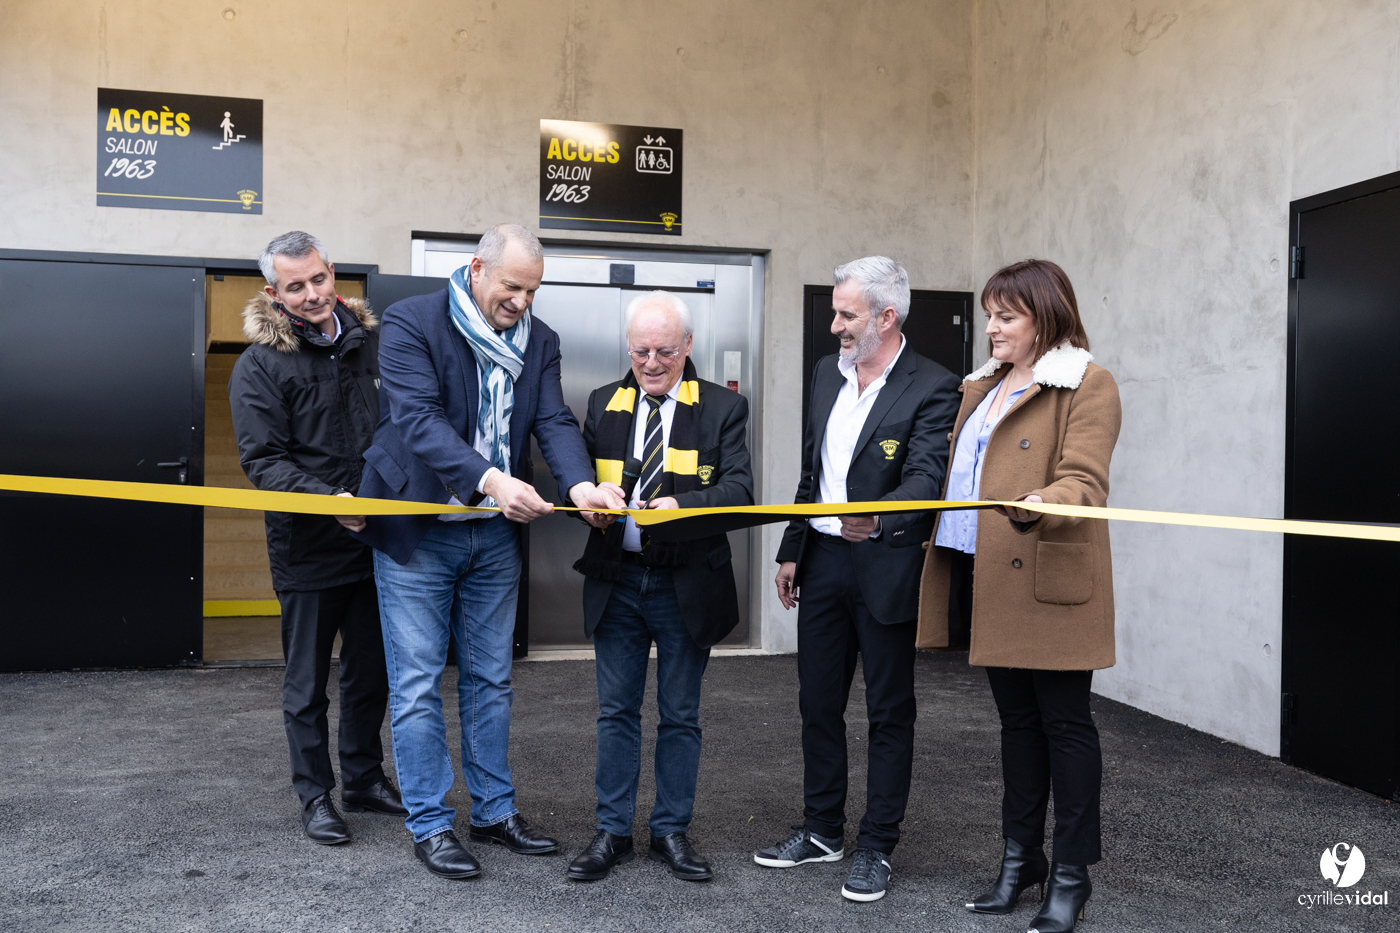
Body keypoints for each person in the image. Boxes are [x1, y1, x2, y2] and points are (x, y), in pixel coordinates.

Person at [355, 223, 625, 880]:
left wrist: (580, 482)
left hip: (492, 536)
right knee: (417, 683)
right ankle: (429, 823)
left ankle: (494, 810)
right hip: (421, 527)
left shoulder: (542, 340)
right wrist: (495, 479)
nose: (522, 303)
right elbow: (417, 421)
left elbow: (553, 420)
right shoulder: (411, 322)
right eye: (512, 287)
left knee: (491, 678)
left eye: (533, 291)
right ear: (477, 268)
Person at [918, 259, 1120, 933]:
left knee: (1066, 726)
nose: (992, 327)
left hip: (1050, 579)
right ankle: (1019, 860)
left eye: (1007, 316)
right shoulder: (983, 386)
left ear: (1046, 319)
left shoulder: (1087, 383)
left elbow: (1085, 482)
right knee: (1017, 726)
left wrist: (1044, 499)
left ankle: (1071, 875)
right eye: (990, 314)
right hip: (991, 573)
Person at [760, 256, 961, 902]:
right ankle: (822, 829)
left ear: (886, 316)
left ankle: (877, 843)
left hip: (885, 565)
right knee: (818, 703)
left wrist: (875, 518)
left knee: (888, 711)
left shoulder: (933, 385)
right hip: (822, 563)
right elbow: (811, 472)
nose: (834, 325)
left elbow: (928, 478)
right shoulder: (827, 374)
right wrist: (792, 547)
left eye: (846, 314)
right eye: (836, 311)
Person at [566, 291, 753, 883]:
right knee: (615, 712)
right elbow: (582, 489)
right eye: (641, 350)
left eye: (665, 351)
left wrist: (682, 506)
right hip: (617, 580)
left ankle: (671, 830)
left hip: (685, 585)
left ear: (688, 347)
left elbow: (742, 495)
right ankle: (612, 832)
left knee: (680, 714)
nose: (651, 362)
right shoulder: (601, 402)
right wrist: (589, 512)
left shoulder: (723, 408)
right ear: (629, 348)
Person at [228, 231, 405, 846]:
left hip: (378, 540)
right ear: (273, 294)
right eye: (294, 287)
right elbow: (263, 461)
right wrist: (329, 502)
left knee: (370, 672)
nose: (311, 295)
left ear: (333, 273)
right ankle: (315, 795)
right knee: (306, 683)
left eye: (319, 280)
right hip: (307, 546)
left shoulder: (375, 347)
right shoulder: (260, 365)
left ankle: (362, 777)